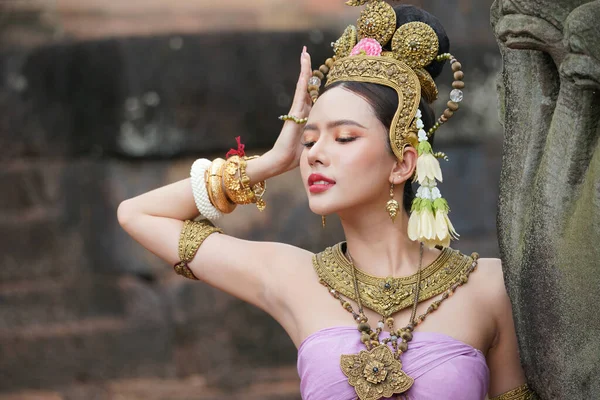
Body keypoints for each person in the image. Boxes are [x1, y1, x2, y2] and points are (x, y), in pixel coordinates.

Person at [118, 2, 538, 399]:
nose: (315, 153)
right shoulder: (292, 277)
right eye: (309, 139)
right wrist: (267, 163)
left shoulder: (488, 288)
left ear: (403, 162)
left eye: (344, 137)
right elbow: (138, 214)